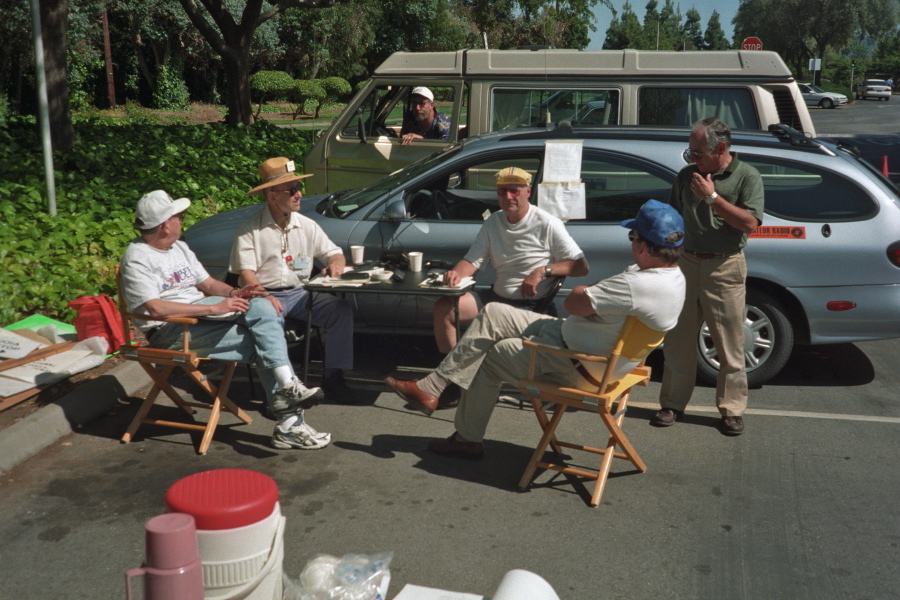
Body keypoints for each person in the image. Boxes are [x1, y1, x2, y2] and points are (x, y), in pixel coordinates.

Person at [385, 199, 686, 459]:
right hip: (577, 344)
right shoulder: (673, 278)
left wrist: (588, 296)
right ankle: (432, 387)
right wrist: (590, 300)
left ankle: (466, 440)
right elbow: (585, 301)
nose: (631, 241)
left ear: (645, 246)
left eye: (633, 236)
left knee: (493, 356)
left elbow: (575, 303)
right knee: (492, 314)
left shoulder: (638, 285)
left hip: (577, 364)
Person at [119, 190, 331, 450]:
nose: (181, 220)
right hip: (171, 331)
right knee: (263, 340)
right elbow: (155, 309)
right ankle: (289, 421)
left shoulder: (179, 247)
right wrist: (216, 308)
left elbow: (207, 283)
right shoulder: (137, 257)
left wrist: (234, 293)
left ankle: (287, 389)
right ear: (164, 225)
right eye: (179, 217)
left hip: (200, 317)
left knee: (262, 306)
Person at [654, 117, 764, 436]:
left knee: (730, 343)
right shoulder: (687, 176)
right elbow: (672, 219)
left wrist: (712, 198)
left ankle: (731, 410)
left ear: (721, 148)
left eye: (698, 153)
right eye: (690, 153)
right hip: (687, 263)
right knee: (678, 340)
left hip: (725, 266)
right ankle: (672, 403)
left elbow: (749, 223)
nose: (693, 159)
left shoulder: (747, 176)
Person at [229, 157, 360, 405]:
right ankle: (282, 390)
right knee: (269, 323)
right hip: (264, 295)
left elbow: (334, 253)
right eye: (293, 190)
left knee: (339, 310)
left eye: (299, 188)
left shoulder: (306, 225)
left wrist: (336, 263)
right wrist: (265, 296)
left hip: (300, 294)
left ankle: (333, 378)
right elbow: (245, 274)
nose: (299, 194)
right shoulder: (250, 229)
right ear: (272, 195)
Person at [432, 166, 589, 355]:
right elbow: (472, 261)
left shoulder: (547, 222)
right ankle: (451, 372)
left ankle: (454, 374)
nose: (508, 197)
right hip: (495, 299)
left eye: (515, 190)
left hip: (529, 306)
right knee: (443, 308)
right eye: (502, 191)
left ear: (528, 192)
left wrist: (542, 271)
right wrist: (456, 273)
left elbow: (581, 267)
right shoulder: (493, 221)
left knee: (492, 337)